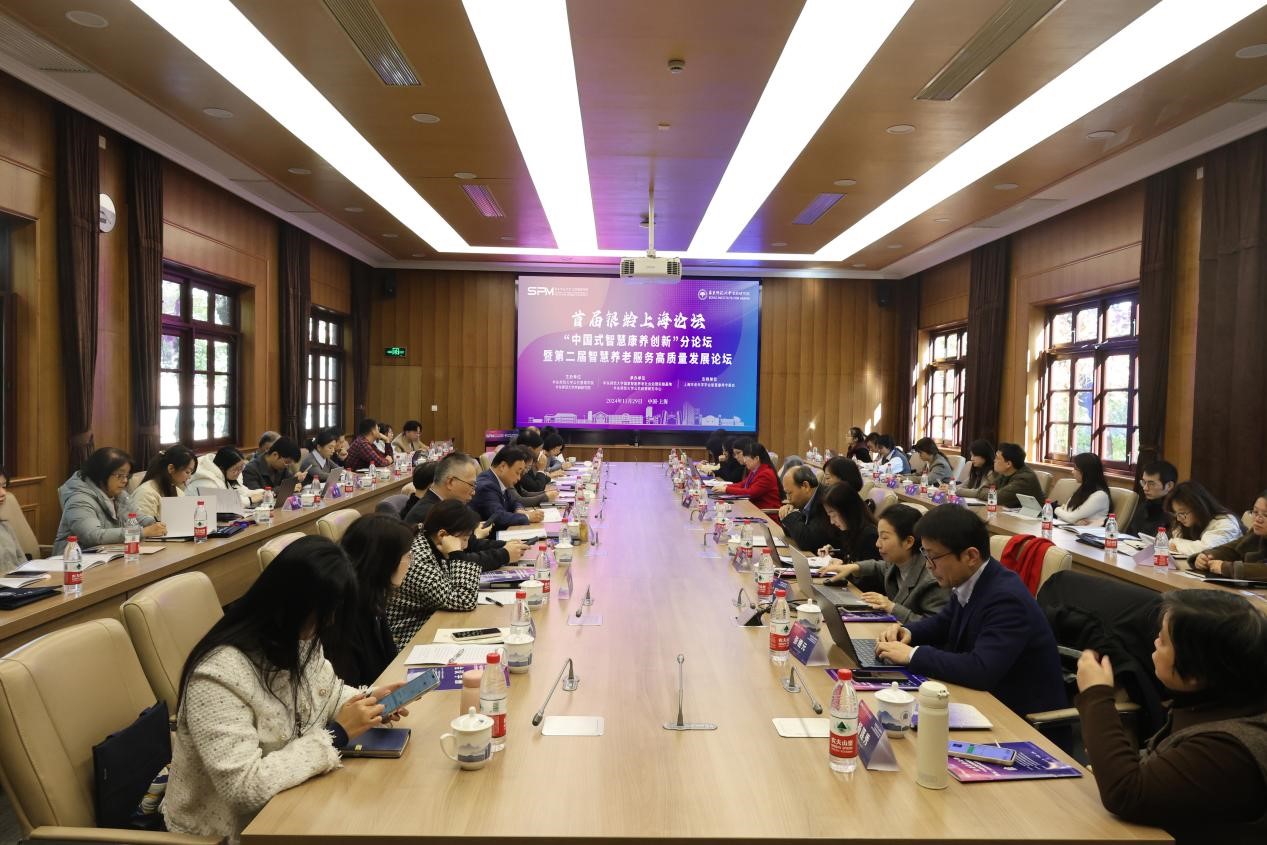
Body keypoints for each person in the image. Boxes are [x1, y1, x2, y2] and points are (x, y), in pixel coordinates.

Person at [163, 537, 406, 839]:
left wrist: (367, 702)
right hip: (229, 833)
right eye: (324, 612)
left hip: (295, 803)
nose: (330, 621)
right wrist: (337, 735)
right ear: (292, 605)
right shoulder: (217, 675)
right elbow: (243, 788)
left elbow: (325, 694)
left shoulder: (297, 638)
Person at [1075, 590, 1267, 843]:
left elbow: (1126, 793)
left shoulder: (1228, 749)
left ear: (1196, 672)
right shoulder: (1216, 703)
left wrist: (1096, 693)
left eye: (1164, 641)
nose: (1155, 642)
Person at [874, 504, 1066, 718]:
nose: (928, 565)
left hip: (1018, 718)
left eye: (933, 557)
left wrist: (912, 654)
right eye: (925, 554)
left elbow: (981, 669)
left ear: (971, 556)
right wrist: (908, 632)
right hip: (981, 702)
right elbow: (942, 623)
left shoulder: (1007, 599)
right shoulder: (971, 580)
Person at [820, 504, 949, 624]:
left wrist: (891, 607)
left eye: (884, 537)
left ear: (908, 542)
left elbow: (935, 628)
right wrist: (853, 567)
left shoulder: (932, 580)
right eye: (878, 536)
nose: (877, 544)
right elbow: (879, 567)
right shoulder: (897, 562)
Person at [323, 514, 412, 687]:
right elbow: (351, 686)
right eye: (408, 556)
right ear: (384, 561)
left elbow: (387, 661)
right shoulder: (342, 614)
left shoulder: (371, 598)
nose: (410, 563)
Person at [385, 499, 483, 648]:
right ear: (442, 534)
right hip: (408, 637)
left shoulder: (429, 542)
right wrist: (456, 553)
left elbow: (452, 587)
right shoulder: (418, 560)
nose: (466, 545)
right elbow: (464, 600)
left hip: (430, 623)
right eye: (464, 539)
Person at [404, 452, 526, 570]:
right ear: (450, 482)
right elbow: (457, 561)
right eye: (471, 485)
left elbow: (471, 544)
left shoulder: (446, 507)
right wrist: (504, 554)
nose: (474, 492)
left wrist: (507, 545)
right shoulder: (428, 513)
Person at [53, 447, 166, 554]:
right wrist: (142, 532)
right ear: (101, 474)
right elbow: (93, 536)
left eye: (127, 476)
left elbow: (140, 518)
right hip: (74, 561)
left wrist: (157, 524)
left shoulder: (119, 494)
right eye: (120, 475)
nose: (125, 481)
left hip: (110, 555)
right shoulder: (79, 499)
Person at [1194, 490, 1267, 580]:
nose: (1258, 519)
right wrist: (1206, 557)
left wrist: (1227, 568)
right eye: (1255, 512)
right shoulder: (1255, 536)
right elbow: (1232, 550)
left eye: (1266, 515)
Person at [1165, 481, 1243, 557]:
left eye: (1182, 513)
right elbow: (1174, 545)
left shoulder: (1225, 523)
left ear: (1198, 507)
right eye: (1176, 513)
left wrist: (1177, 542)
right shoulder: (1190, 522)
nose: (1178, 519)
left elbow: (1206, 550)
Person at [472, 446, 542, 529]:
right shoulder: (487, 486)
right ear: (503, 466)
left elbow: (514, 501)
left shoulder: (499, 480)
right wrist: (528, 517)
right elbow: (498, 517)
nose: (519, 478)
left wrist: (519, 510)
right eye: (517, 472)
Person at [958, 442, 1044, 507]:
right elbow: (983, 490)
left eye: (997, 458)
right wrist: (989, 493)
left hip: (1035, 521)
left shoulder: (1024, 479)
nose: (994, 460)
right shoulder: (1005, 473)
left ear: (1008, 464)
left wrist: (989, 493)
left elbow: (997, 497)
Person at [779, 466, 841, 553]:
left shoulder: (826, 500)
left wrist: (791, 516)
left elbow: (808, 542)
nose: (788, 499)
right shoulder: (805, 500)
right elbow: (793, 534)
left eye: (790, 493)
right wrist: (785, 514)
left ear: (805, 486)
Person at [815, 482, 880, 565]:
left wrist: (842, 566)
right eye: (829, 516)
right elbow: (849, 555)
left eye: (834, 515)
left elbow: (868, 571)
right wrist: (834, 551)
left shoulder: (870, 537)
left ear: (847, 511)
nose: (832, 521)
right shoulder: (851, 529)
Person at [132, 445, 198, 520]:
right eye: (187, 472)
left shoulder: (178, 491)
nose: (189, 477)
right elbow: (143, 525)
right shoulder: (146, 493)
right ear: (171, 468)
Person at [717, 438, 781, 513]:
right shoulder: (754, 470)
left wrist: (726, 489)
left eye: (746, 458)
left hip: (765, 513)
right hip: (752, 509)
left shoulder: (766, 474)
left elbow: (750, 493)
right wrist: (725, 486)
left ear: (756, 458)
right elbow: (743, 484)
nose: (744, 460)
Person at [191, 446, 263, 508]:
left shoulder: (228, 476)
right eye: (235, 469)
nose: (238, 472)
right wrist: (250, 500)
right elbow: (225, 503)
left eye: (241, 468)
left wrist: (263, 493)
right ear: (222, 468)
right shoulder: (207, 481)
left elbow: (242, 492)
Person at [1054, 452, 1111, 525]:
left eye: (1075, 468)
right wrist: (1074, 521)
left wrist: (1056, 509)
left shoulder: (1100, 495)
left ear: (1086, 471)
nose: (1072, 472)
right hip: (1068, 529)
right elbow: (1064, 516)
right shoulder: (1082, 490)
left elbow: (1071, 518)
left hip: (1086, 532)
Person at [1129, 460, 1178, 536]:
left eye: (1151, 484)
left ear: (1169, 486)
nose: (1145, 488)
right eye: (1144, 482)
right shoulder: (1145, 505)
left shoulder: (1176, 512)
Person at [0, 467, 28, 574]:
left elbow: (23, 563)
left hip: (18, 581)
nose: (3, 493)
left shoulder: (5, 526)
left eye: (4, 486)